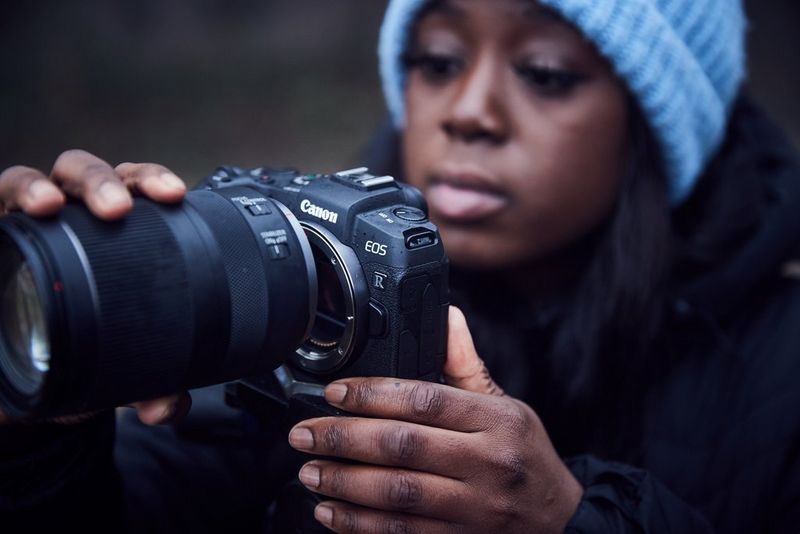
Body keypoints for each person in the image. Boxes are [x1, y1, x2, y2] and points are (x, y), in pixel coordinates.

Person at [1, 0, 799, 531]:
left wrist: (573, 520)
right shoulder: (301, 284)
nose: (468, 112)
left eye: (546, 74)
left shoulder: (779, 369)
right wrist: (42, 416)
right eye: (438, 61)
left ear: (658, 128)